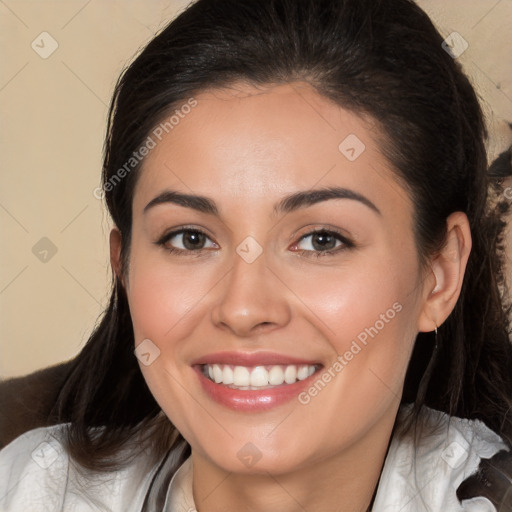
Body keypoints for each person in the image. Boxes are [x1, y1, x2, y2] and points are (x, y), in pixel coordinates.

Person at [1, 0, 512, 510]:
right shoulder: (28, 487)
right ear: (125, 266)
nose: (243, 309)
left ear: (440, 275)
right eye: (190, 239)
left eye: (321, 240)